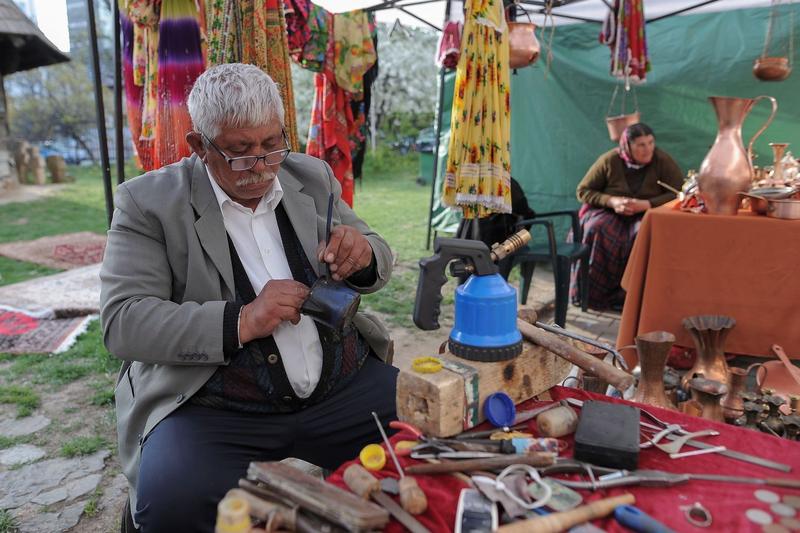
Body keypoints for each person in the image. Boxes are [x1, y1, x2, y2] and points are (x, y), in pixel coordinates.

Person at [100, 63, 397, 533]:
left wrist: (361, 256)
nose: (260, 166)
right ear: (199, 145)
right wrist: (242, 320)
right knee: (173, 505)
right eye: (239, 152)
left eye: (271, 145)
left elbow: (377, 252)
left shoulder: (311, 175)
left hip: (341, 388)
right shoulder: (148, 203)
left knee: (422, 440)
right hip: (214, 410)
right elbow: (124, 322)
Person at [572, 123, 683, 311]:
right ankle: (594, 295)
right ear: (627, 146)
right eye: (641, 145)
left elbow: (679, 192)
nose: (648, 149)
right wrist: (612, 201)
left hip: (646, 212)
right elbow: (583, 191)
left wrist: (647, 204)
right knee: (597, 228)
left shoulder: (662, 160)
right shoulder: (610, 160)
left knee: (642, 234)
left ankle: (631, 296)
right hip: (610, 211)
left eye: (650, 142)